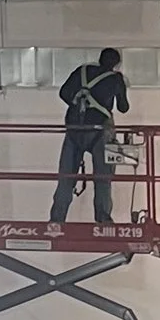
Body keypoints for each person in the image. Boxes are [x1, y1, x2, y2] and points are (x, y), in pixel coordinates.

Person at [50, 46, 129, 223]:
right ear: (116, 64)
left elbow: (64, 93)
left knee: (66, 177)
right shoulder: (115, 78)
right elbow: (123, 107)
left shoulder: (82, 71)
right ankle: (102, 218)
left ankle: (56, 219)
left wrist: (79, 101)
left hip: (75, 130)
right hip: (100, 131)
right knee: (102, 178)